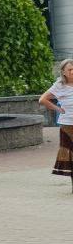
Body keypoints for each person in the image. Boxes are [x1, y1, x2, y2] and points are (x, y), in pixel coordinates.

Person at [40, 58, 73, 189]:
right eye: (69, 69)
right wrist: (58, 109)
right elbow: (43, 99)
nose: (72, 72)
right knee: (70, 155)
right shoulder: (59, 85)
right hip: (67, 125)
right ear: (63, 72)